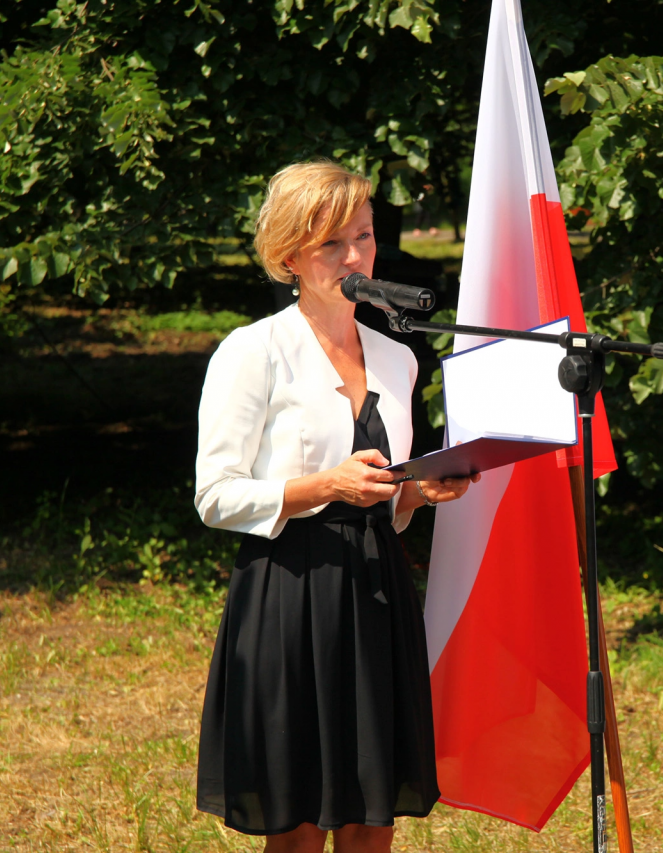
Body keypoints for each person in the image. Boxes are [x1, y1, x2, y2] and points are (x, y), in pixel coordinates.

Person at [193, 161, 478, 853]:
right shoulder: (253, 351)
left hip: (379, 590)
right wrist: (326, 486)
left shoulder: (397, 358)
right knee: (295, 828)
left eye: (364, 237)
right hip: (290, 592)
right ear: (289, 256)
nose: (355, 257)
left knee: (371, 818)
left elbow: (385, 491)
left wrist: (421, 490)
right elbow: (215, 496)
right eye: (331, 243)